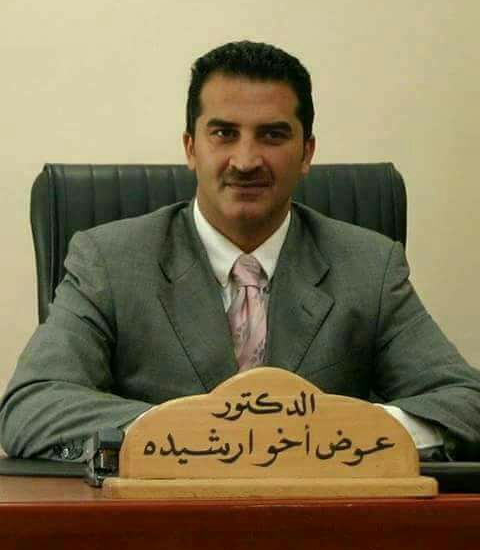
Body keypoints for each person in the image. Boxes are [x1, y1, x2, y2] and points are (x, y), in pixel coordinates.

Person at [1, 41, 479, 463]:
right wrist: (193, 434)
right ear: (191, 148)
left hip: (321, 528)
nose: (246, 160)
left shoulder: (369, 267)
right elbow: (32, 405)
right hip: (155, 528)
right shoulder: (108, 261)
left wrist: (345, 433)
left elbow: (466, 402)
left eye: (273, 135)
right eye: (223, 133)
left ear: (307, 152)